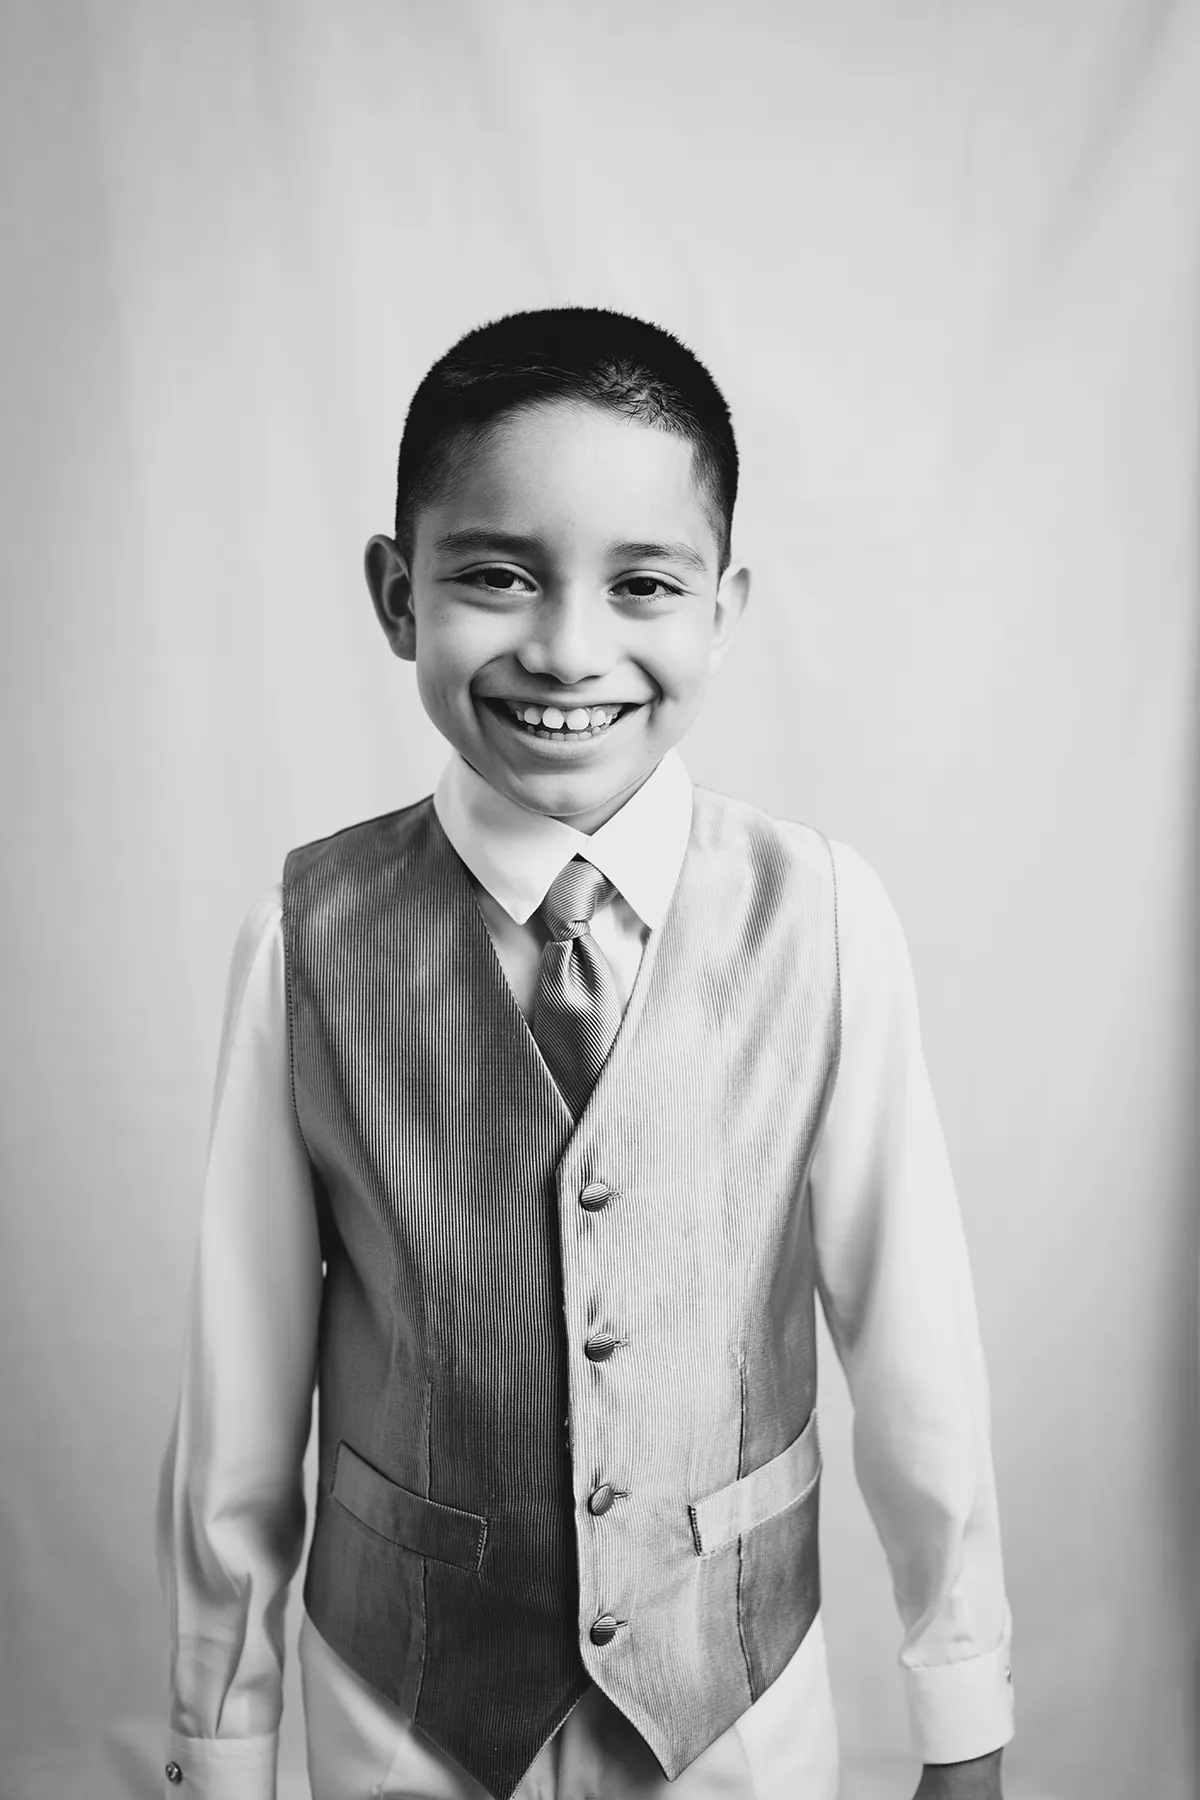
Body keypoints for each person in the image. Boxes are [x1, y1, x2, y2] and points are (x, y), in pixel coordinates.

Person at [157, 307, 1014, 1800]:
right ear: (398, 595)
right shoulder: (303, 935)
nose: (565, 647)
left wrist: (964, 1707)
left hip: (735, 1705)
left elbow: (913, 1343)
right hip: (405, 1706)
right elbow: (241, 1392)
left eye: (643, 584)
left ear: (723, 610)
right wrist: (220, 1747)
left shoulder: (824, 917)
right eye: (496, 575)